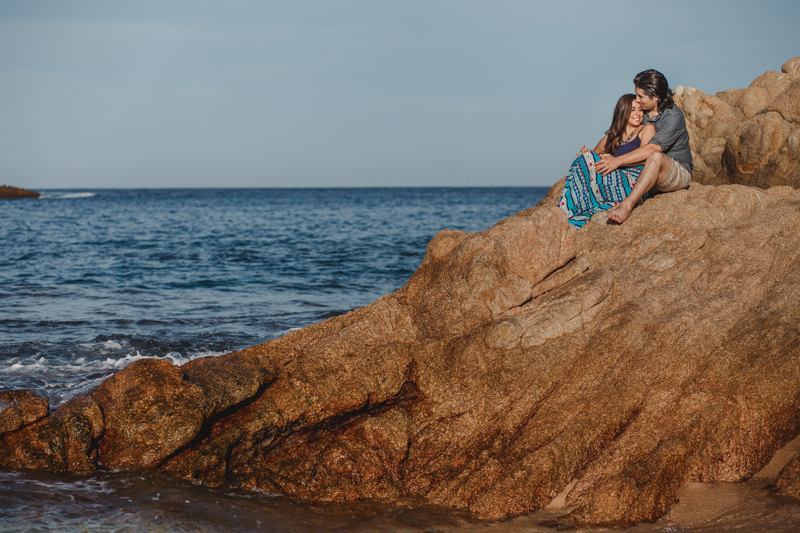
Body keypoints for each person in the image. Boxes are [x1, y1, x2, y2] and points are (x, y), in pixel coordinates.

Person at [602, 69, 693, 224]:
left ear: (655, 97)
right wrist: (592, 153)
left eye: (641, 96)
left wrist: (618, 161)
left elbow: (652, 149)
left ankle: (627, 205)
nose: (637, 100)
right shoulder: (642, 112)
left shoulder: (672, 117)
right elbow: (617, 133)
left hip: (676, 170)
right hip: (646, 171)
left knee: (655, 157)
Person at [558, 94, 655, 228]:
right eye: (632, 110)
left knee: (587, 161)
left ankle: (563, 212)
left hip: (635, 183)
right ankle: (570, 211)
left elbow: (647, 157)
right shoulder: (613, 135)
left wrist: (617, 161)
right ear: (623, 111)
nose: (638, 114)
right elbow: (595, 153)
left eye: (640, 109)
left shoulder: (646, 129)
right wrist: (586, 152)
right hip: (614, 179)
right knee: (585, 159)